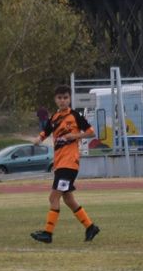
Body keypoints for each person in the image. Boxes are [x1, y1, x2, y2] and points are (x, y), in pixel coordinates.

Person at [30, 85, 100, 244]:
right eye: (59, 98)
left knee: (53, 197)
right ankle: (90, 227)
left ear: (69, 99)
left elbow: (91, 132)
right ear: (55, 100)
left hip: (69, 163)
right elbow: (45, 132)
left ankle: (47, 233)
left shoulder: (75, 116)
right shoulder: (54, 117)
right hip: (60, 163)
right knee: (68, 199)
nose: (62, 101)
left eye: (65, 98)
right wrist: (38, 139)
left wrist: (74, 135)